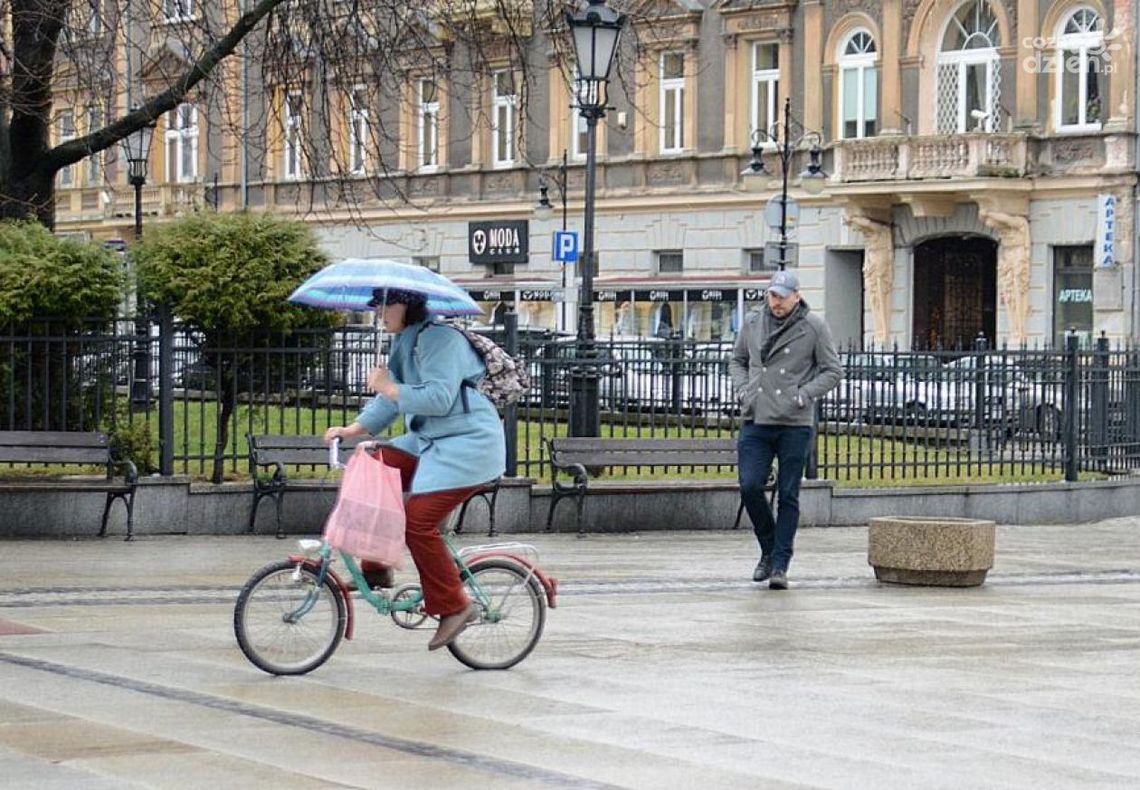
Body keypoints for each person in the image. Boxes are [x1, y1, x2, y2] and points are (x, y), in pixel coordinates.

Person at [324, 288, 506, 651]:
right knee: (374, 464)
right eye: (375, 306)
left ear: (407, 304)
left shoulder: (442, 339)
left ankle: (455, 606)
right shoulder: (407, 340)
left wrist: (390, 387)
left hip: (467, 447)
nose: (379, 313)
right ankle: (376, 568)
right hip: (430, 442)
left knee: (418, 522)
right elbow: (388, 401)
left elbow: (438, 398)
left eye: (385, 305)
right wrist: (352, 430)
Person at [729, 270, 842, 590]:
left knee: (789, 494)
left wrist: (804, 394)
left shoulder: (813, 326)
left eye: (782, 296)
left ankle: (780, 564)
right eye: (772, 295)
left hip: (794, 421)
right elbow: (737, 360)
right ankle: (768, 548)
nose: (776, 302)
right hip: (756, 416)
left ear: (796, 296)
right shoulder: (753, 322)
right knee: (750, 485)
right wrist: (743, 390)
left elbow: (833, 371)